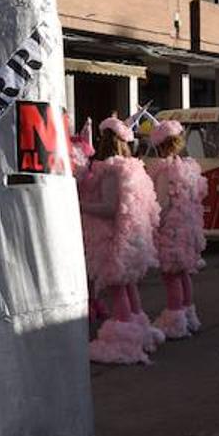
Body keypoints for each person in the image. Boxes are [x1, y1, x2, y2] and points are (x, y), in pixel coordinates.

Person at [83, 117, 163, 365]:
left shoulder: (110, 170)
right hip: (131, 237)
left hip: (113, 237)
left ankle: (123, 341)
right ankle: (139, 331)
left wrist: (79, 205)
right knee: (129, 286)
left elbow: (109, 207)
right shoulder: (133, 167)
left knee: (118, 289)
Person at [148, 119, 208, 340]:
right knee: (183, 274)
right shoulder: (188, 166)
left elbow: (163, 203)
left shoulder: (164, 170)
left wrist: (154, 223)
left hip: (170, 228)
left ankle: (175, 321)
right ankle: (189, 315)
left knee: (171, 275)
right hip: (187, 227)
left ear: (160, 144)